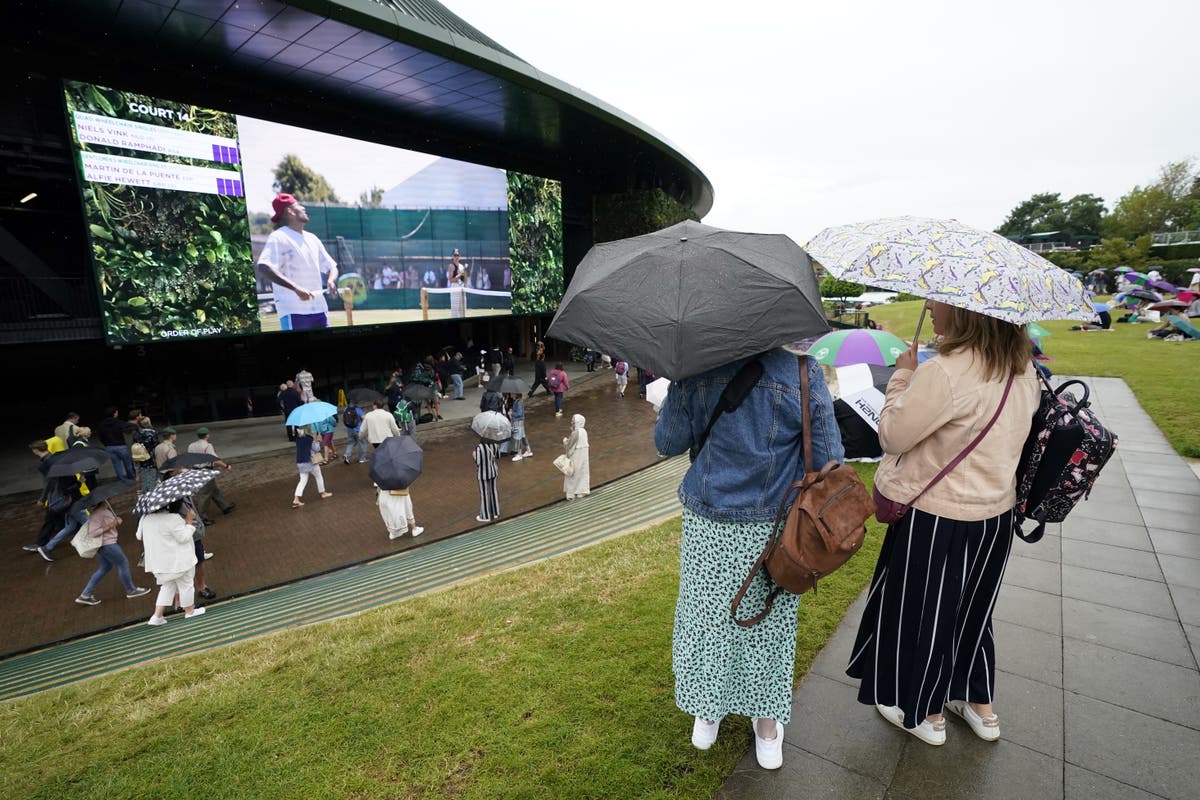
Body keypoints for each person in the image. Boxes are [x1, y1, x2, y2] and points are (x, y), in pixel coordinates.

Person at [846, 300, 1041, 747]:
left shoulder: (946, 371)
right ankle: (978, 704)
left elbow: (892, 434)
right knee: (972, 608)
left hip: (938, 517)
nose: (930, 305)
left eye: (940, 300)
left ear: (968, 312)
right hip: (995, 517)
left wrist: (903, 376)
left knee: (925, 612)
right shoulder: (1022, 367)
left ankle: (925, 713)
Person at [654, 349, 844, 770]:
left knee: (709, 620)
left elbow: (666, 442)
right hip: (775, 529)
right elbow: (831, 456)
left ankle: (708, 713)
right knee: (768, 626)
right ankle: (767, 728)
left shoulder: (696, 366)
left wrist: (679, 385)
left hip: (709, 522)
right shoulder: (802, 370)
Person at [257, 194, 338, 331]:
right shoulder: (279, 237)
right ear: (290, 211)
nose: (303, 208)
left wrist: (331, 279)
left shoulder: (312, 238)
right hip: (294, 312)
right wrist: (296, 288)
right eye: (299, 205)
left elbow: (331, 266)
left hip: (319, 310)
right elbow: (264, 266)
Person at [137, 497, 205, 626]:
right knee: (186, 584)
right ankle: (189, 611)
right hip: (178, 561)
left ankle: (157, 616)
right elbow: (183, 537)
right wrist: (189, 522)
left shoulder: (145, 519)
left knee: (167, 587)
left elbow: (138, 535)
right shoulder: (173, 518)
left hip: (158, 563)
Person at [75, 501, 150, 606]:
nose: (110, 499)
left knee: (105, 567)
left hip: (105, 545)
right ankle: (131, 590)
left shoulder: (102, 511)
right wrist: (112, 524)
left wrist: (114, 522)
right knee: (123, 563)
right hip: (108, 545)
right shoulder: (98, 513)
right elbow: (93, 532)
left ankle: (85, 595)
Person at [187, 428, 235, 520]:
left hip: (195, 470)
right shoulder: (208, 446)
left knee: (213, 489)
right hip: (205, 471)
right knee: (204, 494)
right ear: (207, 435)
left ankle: (225, 506)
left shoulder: (191, 445)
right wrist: (226, 466)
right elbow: (215, 460)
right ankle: (202, 517)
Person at [292, 427, 332, 508]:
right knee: (318, 476)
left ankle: (296, 498)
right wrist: (317, 440)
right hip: (310, 462)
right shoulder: (309, 439)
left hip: (300, 462)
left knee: (302, 481)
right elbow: (316, 449)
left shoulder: (298, 439)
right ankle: (323, 493)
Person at [96, 406, 137, 481]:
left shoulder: (102, 425)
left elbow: (100, 436)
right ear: (114, 413)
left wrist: (106, 444)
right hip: (121, 445)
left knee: (116, 465)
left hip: (109, 447)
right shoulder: (119, 422)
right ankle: (132, 479)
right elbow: (129, 428)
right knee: (128, 464)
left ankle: (121, 480)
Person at [561, 414, 590, 499]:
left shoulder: (575, 432)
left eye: (573, 421)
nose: (572, 422)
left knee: (572, 473)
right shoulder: (584, 431)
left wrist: (565, 441)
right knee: (583, 472)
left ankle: (571, 493)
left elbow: (569, 445)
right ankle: (582, 491)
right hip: (584, 456)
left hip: (576, 456)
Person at [473, 437, 500, 523]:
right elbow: (498, 456)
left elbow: (478, 462)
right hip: (493, 471)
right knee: (493, 491)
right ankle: (495, 512)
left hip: (483, 474)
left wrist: (474, 456)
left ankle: (485, 516)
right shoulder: (495, 445)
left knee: (484, 493)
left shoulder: (479, 448)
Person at [132, 417, 160, 493]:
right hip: (151, 456)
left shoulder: (136, 434)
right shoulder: (153, 433)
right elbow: (156, 445)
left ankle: (146, 490)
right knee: (153, 473)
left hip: (140, 456)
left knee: (144, 473)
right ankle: (153, 490)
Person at [509, 394, 533, 461]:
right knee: (522, 436)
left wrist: (511, 413)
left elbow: (519, 413)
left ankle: (519, 454)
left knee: (518, 437)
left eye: (512, 393)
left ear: (515, 394)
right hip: (520, 422)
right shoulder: (518, 401)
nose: (511, 393)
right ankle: (528, 451)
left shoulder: (518, 402)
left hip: (518, 422)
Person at [448, 248, 468, 318]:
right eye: (455, 255)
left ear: (460, 256)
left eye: (458, 255)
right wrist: (460, 274)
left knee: (463, 312)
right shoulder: (451, 266)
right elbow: (451, 280)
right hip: (454, 288)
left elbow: (465, 280)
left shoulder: (462, 266)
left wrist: (465, 271)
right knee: (454, 312)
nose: (456, 257)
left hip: (462, 288)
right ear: (452, 256)